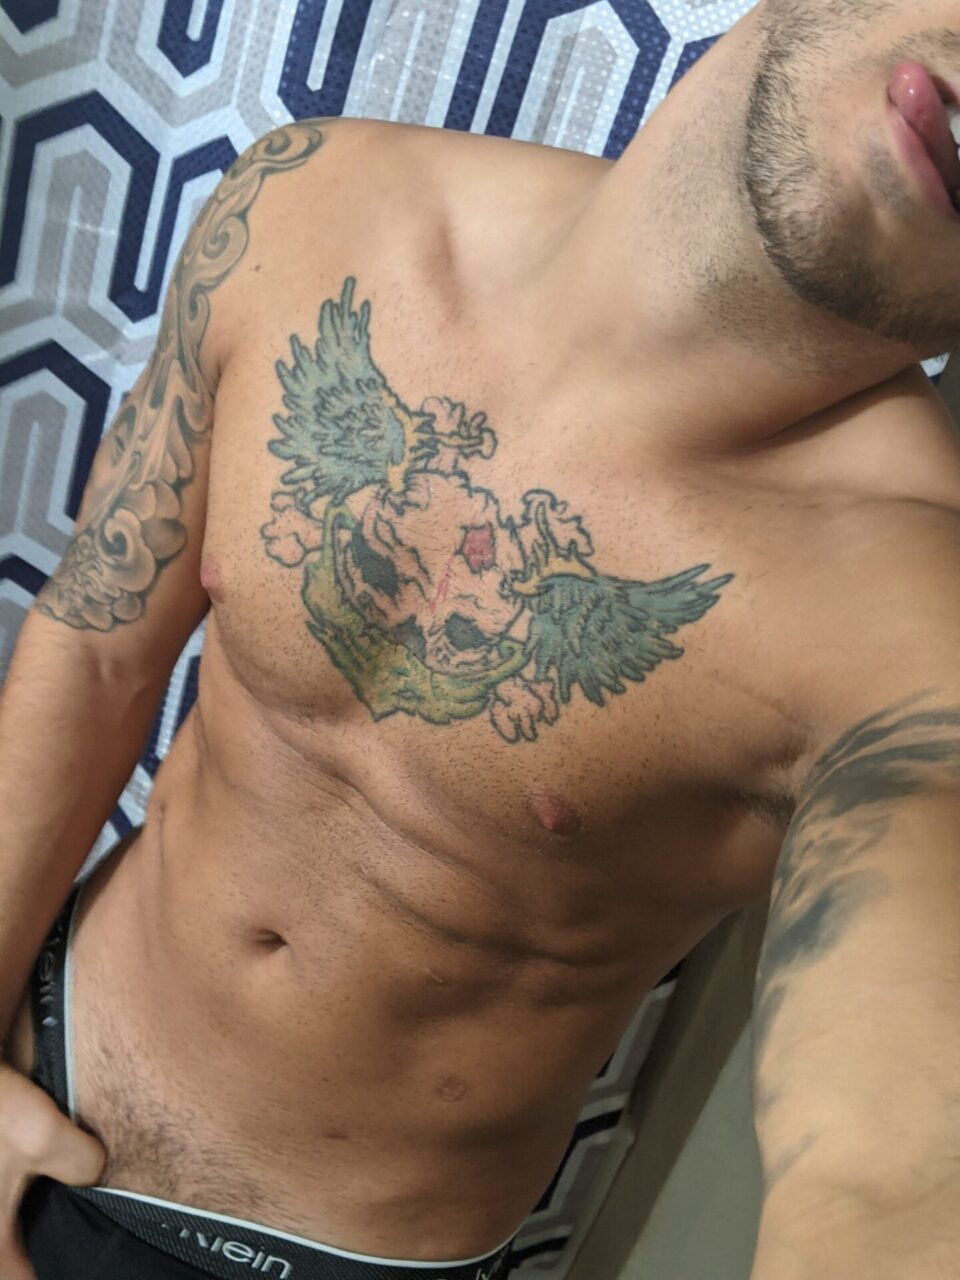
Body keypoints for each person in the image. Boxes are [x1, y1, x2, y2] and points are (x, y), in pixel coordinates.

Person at [2, 0, 960, 1275]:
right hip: (39, 1047)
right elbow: (96, 644)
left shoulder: (911, 621)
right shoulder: (310, 204)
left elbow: (895, 1173)